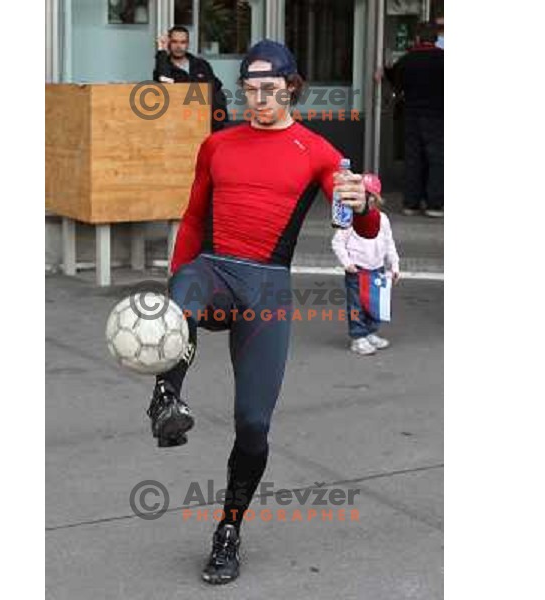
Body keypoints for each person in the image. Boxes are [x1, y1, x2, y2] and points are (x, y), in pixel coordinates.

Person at [145, 39, 382, 585]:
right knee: (185, 287)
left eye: (269, 89)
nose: (259, 100)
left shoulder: (319, 152)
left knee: (252, 424)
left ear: (291, 87)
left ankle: (228, 529)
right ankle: (165, 399)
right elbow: (192, 220)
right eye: (250, 89)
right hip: (213, 269)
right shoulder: (218, 145)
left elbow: (359, 226)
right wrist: (170, 300)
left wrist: (365, 203)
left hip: (267, 289)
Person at [331, 174, 400, 355]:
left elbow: (389, 242)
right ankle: (357, 337)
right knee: (356, 305)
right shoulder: (349, 219)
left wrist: (394, 265)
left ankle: (370, 332)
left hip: (377, 268)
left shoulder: (382, 219)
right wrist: (347, 264)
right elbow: (337, 242)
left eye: (370, 197)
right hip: (357, 270)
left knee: (374, 303)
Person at [381, 22, 444, 218]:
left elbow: (393, 80)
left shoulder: (407, 61)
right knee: (437, 160)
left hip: (411, 115)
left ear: (417, 38)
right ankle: (434, 204)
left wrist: (382, 72)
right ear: (436, 38)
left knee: (413, 159)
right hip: (437, 116)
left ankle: (411, 203)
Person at [153, 25, 228, 131]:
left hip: (206, 123)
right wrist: (161, 51)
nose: (179, 46)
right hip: (179, 125)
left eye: (183, 42)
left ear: (187, 44)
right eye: (175, 42)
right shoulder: (164, 67)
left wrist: (219, 123)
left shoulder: (201, 64)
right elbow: (164, 84)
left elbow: (216, 91)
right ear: (169, 43)